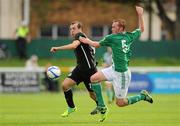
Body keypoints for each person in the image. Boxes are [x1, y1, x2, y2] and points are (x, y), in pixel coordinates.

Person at [80, 6, 153, 114]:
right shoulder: (129, 36)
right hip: (113, 69)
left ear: (120, 28)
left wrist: (85, 40)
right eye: (112, 27)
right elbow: (141, 29)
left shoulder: (117, 37)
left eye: (114, 27)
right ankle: (101, 105)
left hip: (122, 74)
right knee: (93, 78)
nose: (112, 29)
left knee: (120, 103)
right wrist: (140, 14)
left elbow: (96, 44)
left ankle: (142, 96)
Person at [50, 21, 107, 122]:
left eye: (73, 28)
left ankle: (102, 108)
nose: (72, 31)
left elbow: (73, 46)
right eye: (70, 29)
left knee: (92, 95)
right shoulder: (84, 38)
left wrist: (57, 48)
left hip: (89, 71)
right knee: (65, 85)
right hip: (81, 68)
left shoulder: (79, 35)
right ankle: (72, 107)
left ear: (80, 28)